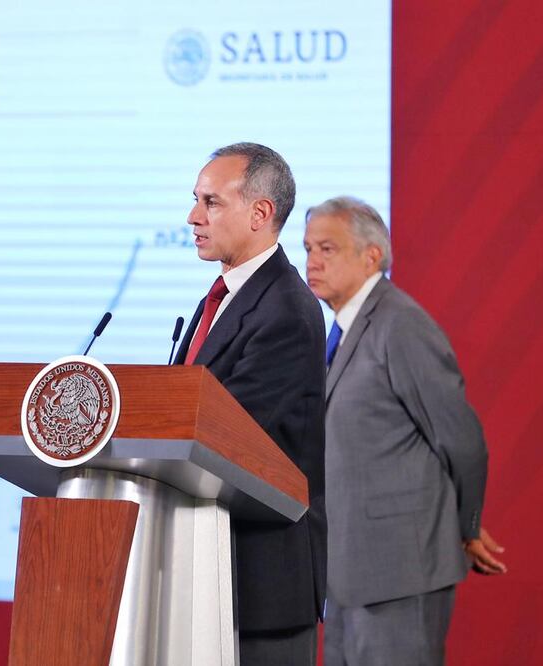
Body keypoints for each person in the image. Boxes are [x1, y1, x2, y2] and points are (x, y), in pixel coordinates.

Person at [303, 196, 507, 665]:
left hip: (400, 571)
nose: (312, 261)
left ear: (371, 255)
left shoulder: (401, 326)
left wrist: (467, 525)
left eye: (327, 249)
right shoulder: (340, 330)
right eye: (309, 248)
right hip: (348, 571)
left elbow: (462, 440)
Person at [174, 143, 326, 664]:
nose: (193, 217)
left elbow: (229, 436)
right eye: (196, 200)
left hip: (258, 584)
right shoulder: (219, 297)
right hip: (207, 574)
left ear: (260, 213)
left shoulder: (285, 309)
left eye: (211, 203)